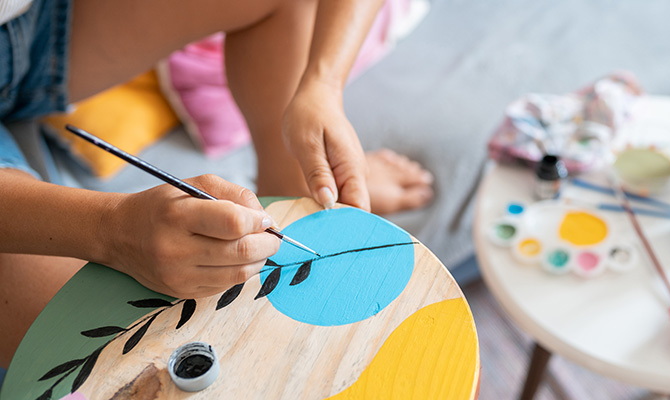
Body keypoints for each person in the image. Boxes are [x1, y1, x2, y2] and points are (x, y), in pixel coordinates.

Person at [0, 0, 433, 368]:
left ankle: (299, 196)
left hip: (28, 20)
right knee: (120, 349)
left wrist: (321, 84)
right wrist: (112, 229)